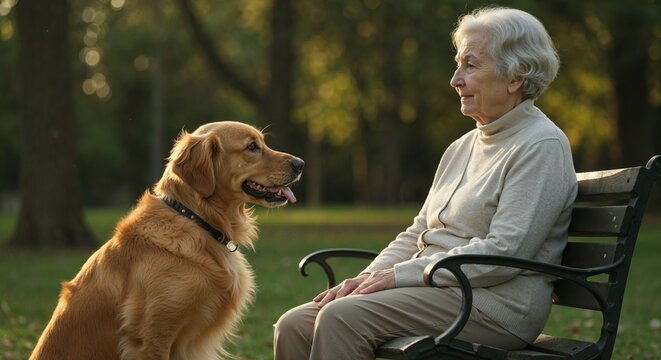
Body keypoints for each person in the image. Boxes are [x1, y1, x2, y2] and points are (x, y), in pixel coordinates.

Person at [274, 6, 577, 359]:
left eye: (471, 65)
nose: (455, 79)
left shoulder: (541, 145)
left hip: (495, 305)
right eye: (458, 63)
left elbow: (506, 252)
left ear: (517, 75)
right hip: (439, 288)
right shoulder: (461, 147)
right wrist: (366, 278)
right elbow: (418, 230)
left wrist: (401, 276)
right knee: (295, 323)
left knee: (342, 317)